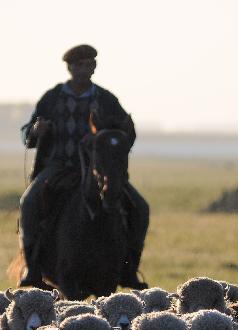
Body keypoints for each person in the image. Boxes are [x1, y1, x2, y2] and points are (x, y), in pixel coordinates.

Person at [18, 44, 149, 289]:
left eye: (89, 64)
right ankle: (32, 268)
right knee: (29, 202)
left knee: (141, 207)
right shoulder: (52, 98)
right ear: (69, 68)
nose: (84, 69)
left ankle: (129, 268)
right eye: (79, 65)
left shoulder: (107, 100)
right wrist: (36, 130)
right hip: (59, 166)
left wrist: (113, 148)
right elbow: (28, 132)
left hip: (99, 169)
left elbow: (125, 132)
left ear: (94, 67)